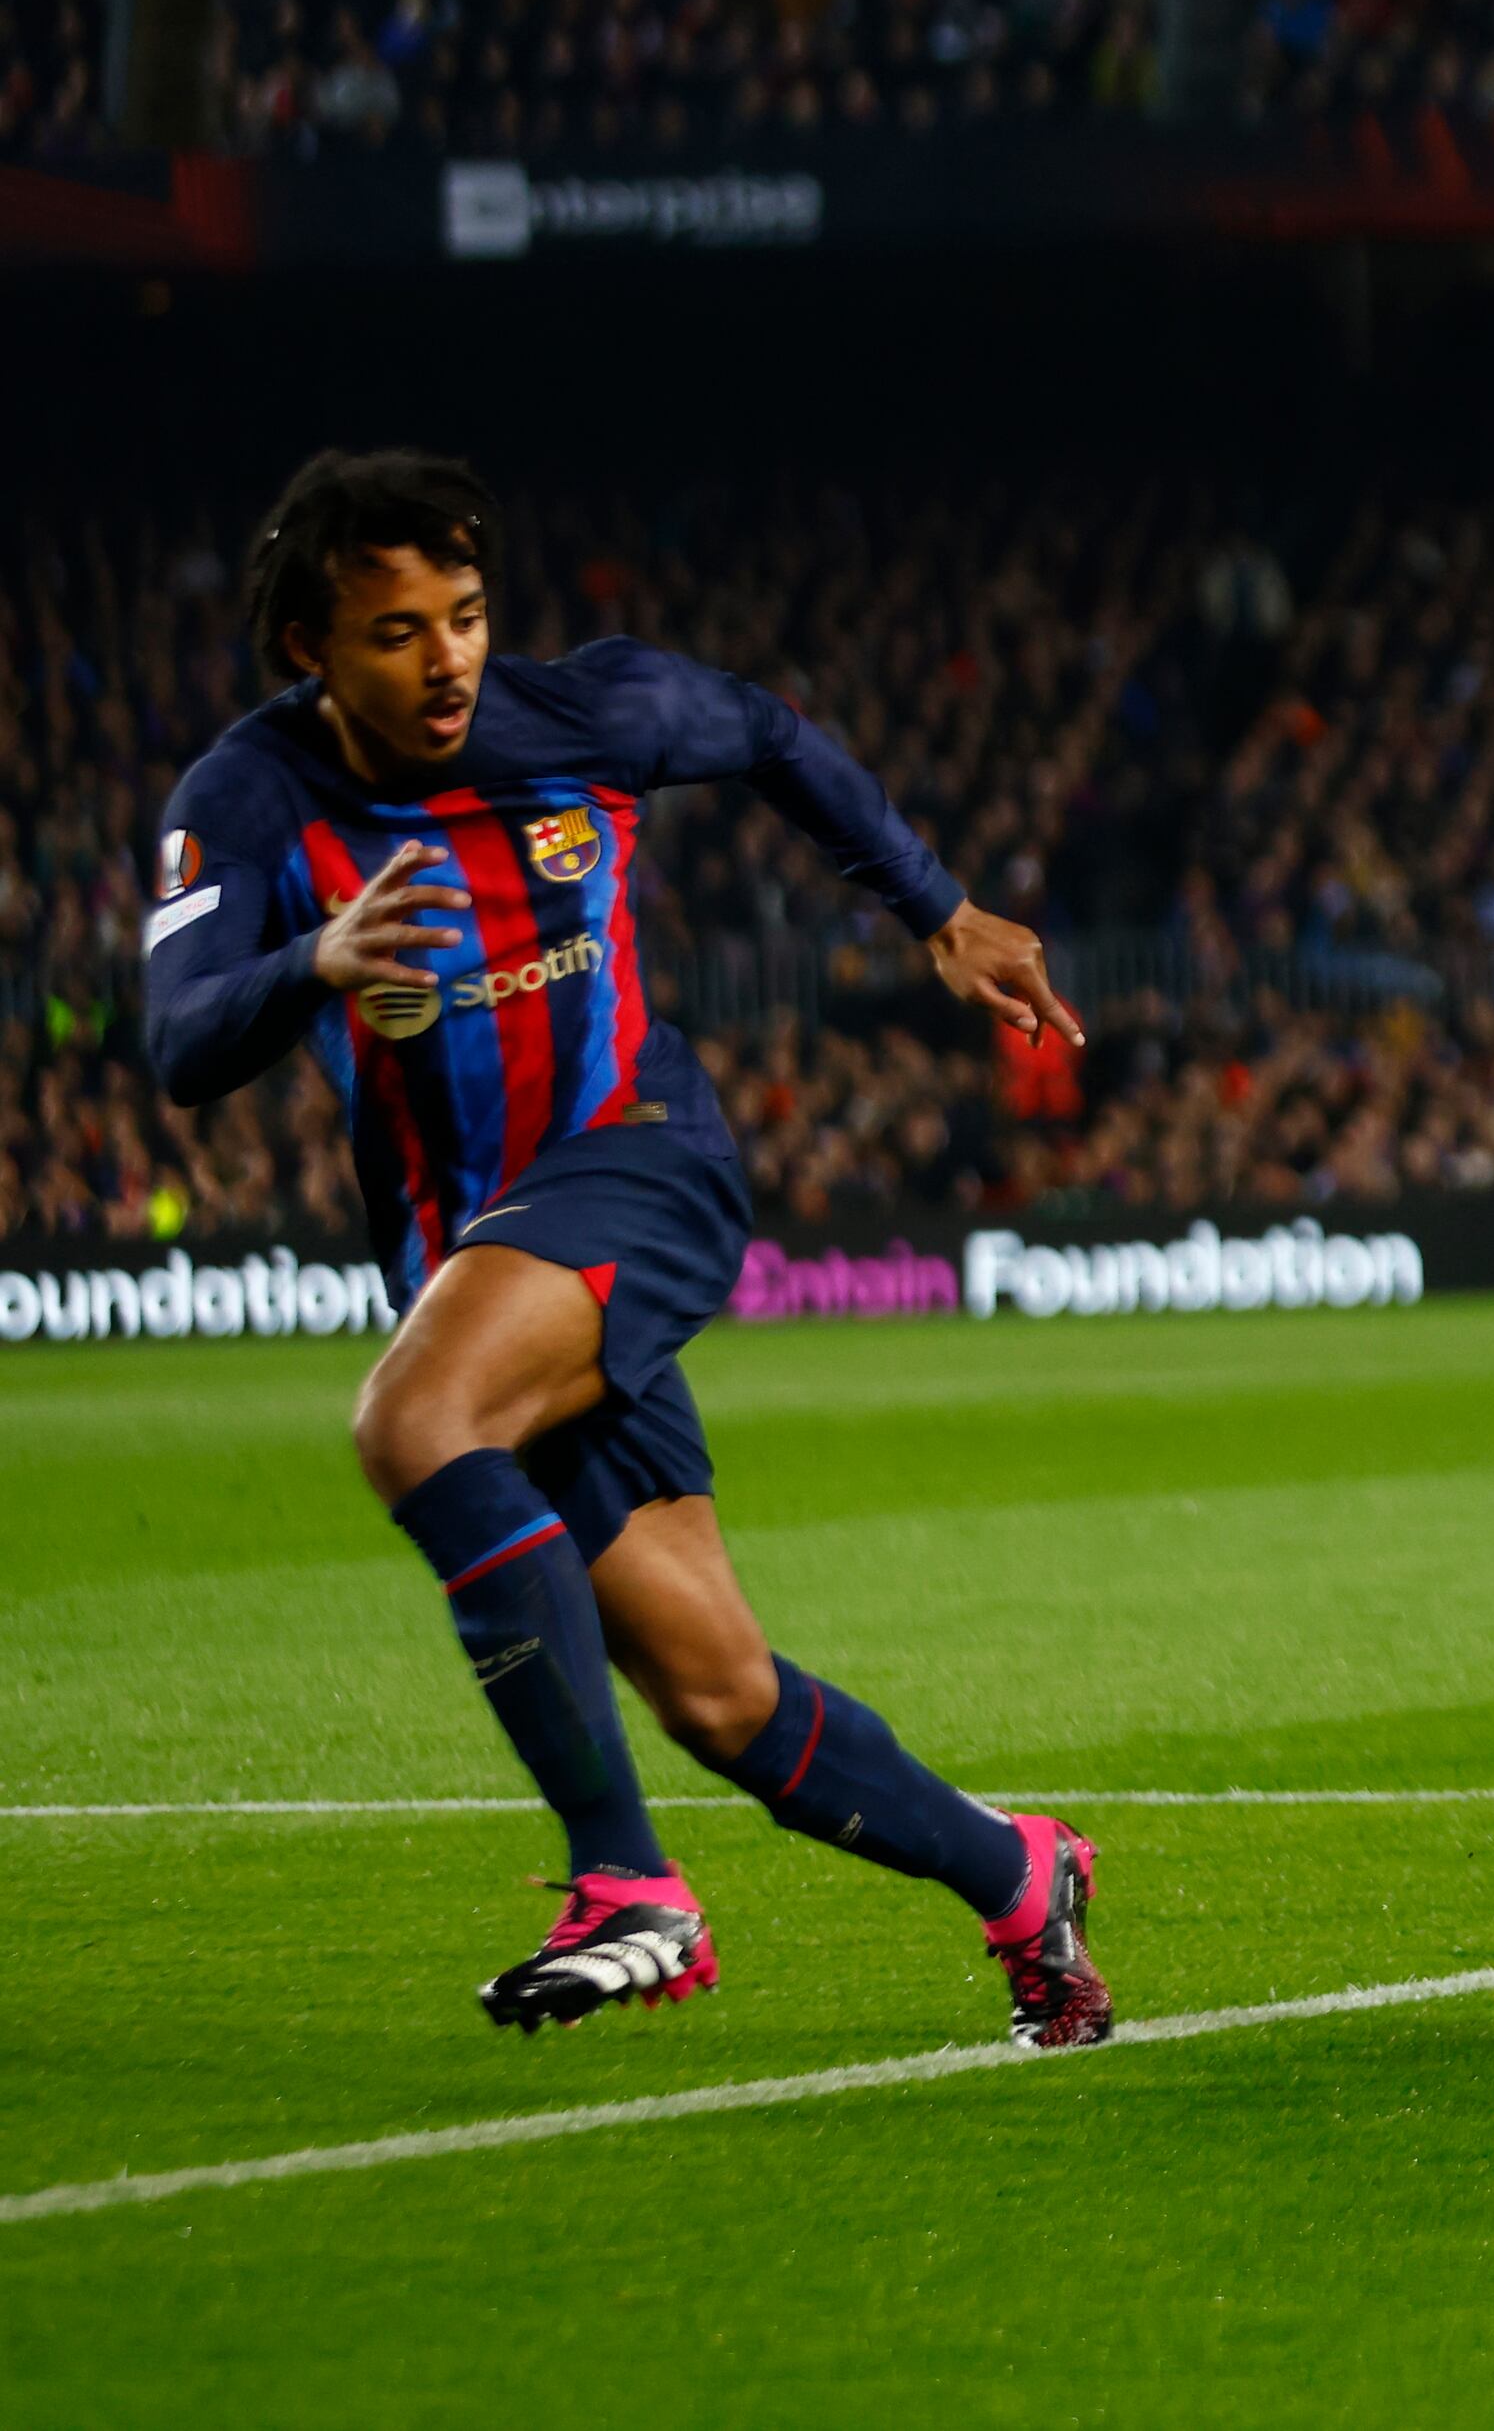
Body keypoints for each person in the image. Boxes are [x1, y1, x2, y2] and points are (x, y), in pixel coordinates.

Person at [144, 451, 1116, 2042]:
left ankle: (628, 1885)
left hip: (638, 1165)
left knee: (413, 1419)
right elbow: (180, 1039)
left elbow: (772, 735)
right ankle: (1020, 1875)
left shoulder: (592, 712)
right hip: (476, 1255)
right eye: (395, 631)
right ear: (308, 646)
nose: (447, 656)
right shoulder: (243, 803)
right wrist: (312, 958)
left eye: (462, 614)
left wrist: (935, 908)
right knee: (721, 1695)